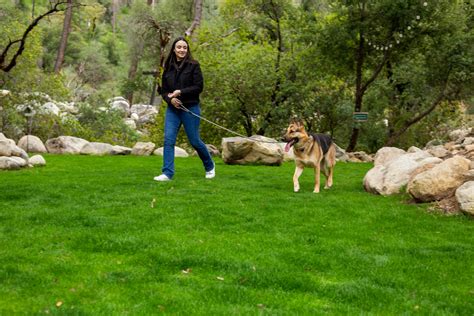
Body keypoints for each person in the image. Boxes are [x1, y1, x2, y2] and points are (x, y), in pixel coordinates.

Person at [154, 37, 215, 181]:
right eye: (179, 47)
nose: (182, 50)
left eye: (184, 47)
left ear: (187, 50)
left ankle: (210, 166)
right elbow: (163, 91)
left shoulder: (194, 65)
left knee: (194, 141)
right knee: (168, 140)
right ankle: (167, 173)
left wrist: (180, 92)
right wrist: (170, 99)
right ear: (174, 49)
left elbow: (198, 87)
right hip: (172, 110)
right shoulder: (167, 68)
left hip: (190, 108)